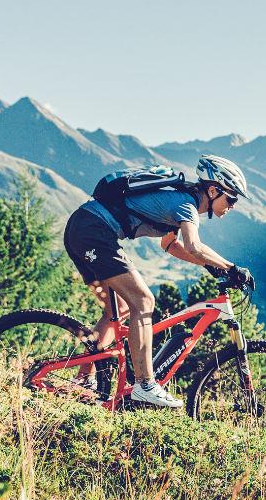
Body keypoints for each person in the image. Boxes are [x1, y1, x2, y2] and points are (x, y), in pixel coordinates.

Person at [62, 155, 253, 407]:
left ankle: (84, 378)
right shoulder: (186, 204)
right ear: (213, 190)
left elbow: (171, 245)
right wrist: (231, 268)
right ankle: (145, 384)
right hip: (94, 231)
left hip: (83, 227)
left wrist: (211, 266)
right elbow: (193, 246)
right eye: (231, 198)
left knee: (117, 309)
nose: (233, 205)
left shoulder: (182, 200)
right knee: (143, 301)